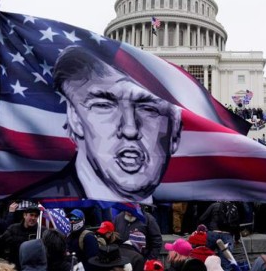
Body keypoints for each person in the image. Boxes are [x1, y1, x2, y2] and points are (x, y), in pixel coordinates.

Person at [29, 47, 183, 203]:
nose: (130, 129)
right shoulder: (39, 202)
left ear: (175, 130)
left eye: (149, 109)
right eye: (103, 106)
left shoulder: (173, 209)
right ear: (74, 117)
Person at [0, 204, 40, 269]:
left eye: (36, 216)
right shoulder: (13, 229)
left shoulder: (41, 231)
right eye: (31, 215)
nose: (33, 218)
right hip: (15, 267)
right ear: (24, 215)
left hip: (33, 268)